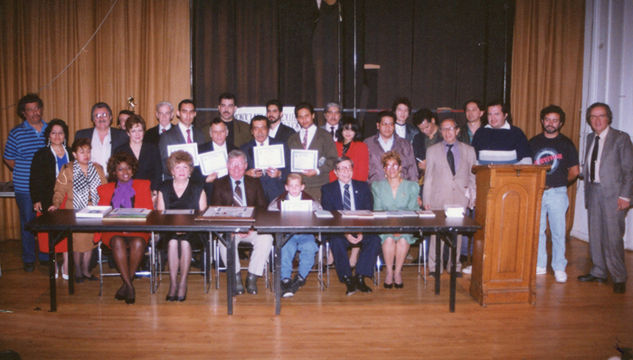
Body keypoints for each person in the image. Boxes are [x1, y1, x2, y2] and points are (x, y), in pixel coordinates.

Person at [578, 102, 633, 294]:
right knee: (595, 234)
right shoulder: (589, 138)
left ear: (609, 118)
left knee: (612, 237)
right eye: (593, 117)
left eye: (601, 116)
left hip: (614, 194)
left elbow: (629, 170)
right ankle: (599, 270)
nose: (597, 120)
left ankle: (619, 276)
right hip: (593, 191)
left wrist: (625, 196)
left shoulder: (621, 138)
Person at [210, 150, 273, 295]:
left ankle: (252, 276)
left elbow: (262, 208)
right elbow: (216, 211)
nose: (236, 168)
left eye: (240, 164)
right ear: (227, 165)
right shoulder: (219, 183)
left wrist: (251, 228)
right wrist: (233, 229)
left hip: (251, 228)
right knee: (225, 241)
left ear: (245, 165)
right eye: (233, 164)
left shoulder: (254, 183)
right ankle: (236, 276)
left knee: (266, 238)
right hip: (230, 228)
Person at [528, 105, 579, 283]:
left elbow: (574, 171)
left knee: (558, 232)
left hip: (558, 193)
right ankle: (540, 264)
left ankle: (559, 267)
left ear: (561, 123)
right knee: (538, 231)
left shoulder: (566, 143)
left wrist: (560, 184)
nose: (551, 123)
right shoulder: (533, 142)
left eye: (555, 120)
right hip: (538, 193)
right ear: (542, 121)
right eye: (547, 119)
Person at [96, 152, 153, 304]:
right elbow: (101, 214)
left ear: (133, 170)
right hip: (113, 231)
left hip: (137, 228)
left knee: (138, 243)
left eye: (128, 168)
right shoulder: (105, 189)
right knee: (117, 241)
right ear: (114, 172)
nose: (125, 172)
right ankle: (129, 285)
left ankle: (126, 285)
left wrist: (132, 224)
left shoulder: (143, 185)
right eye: (120, 169)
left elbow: (148, 210)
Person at [423, 118, 477, 276]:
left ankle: (454, 266)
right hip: (438, 198)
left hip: (460, 199)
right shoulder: (432, 150)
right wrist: (426, 201)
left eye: (451, 128)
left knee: (457, 235)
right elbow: (428, 177)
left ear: (458, 130)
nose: (448, 132)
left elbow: (473, 177)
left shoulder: (469, 150)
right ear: (440, 132)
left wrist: (471, 198)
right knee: (436, 235)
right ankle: (434, 267)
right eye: (444, 129)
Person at [49, 138, 107, 282]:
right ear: (74, 154)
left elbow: (105, 190)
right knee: (77, 244)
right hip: (74, 212)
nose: (86, 155)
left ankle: (87, 271)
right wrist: (55, 204)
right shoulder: (67, 170)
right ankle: (78, 272)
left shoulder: (97, 169)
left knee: (89, 245)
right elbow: (59, 191)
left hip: (94, 211)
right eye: (82, 152)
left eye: (88, 151)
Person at [321, 156, 381, 295]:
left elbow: (368, 211)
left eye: (348, 167)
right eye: (341, 168)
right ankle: (347, 278)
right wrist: (346, 233)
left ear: (352, 170)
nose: (345, 171)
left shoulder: (363, 187)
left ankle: (360, 276)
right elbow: (331, 216)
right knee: (336, 240)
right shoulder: (327, 189)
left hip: (360, 227)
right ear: (335, 172)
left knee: (374, 239)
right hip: (339, 229)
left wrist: (361, 232)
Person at [3, 93, 48, 271]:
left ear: (41, 109)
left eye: (37, 108)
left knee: (46, 221)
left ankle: (45, 255)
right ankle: (29, 258)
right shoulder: (16, 133)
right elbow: (9, 159)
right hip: (24, 187)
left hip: (46, 187)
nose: (34, 112)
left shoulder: (50, 130)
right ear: (23, 113)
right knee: (27, 223)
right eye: (30, 110)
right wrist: (26, 171)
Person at [156, 151, 207, 301]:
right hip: (169, 229)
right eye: (178, 167)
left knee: (184, 243)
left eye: (185, 167)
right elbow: (160, 215)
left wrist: (185, 228)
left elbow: (202, 216)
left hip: (193, 230)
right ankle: (173, 283)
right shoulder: (164, 188)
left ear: (190, 170)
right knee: (172, 243)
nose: (182, 171)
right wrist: (174, 228)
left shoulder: (198, 188)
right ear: (172, 171)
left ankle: (183, 282)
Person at [30, 119, 73, 278]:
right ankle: (54, 266)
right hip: (48, 199)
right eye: (53, 132)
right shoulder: (41, 154)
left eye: (60, 132)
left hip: (69, 199)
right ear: (48, 135)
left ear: (65, 135)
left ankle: (67, 265)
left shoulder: (71, 151)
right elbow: (35, 179)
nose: (57, 136)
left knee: (69, 232)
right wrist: (36, 199)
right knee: (51, 235)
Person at [268, 173, 322, 297]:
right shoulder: (278, 202)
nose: (294, 189)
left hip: (305, 233)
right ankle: (285, 279)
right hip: (287, 234)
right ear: (286, 187)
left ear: (302, 187)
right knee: (286, 248)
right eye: (291, 186)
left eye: (297, 186)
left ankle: (301, 277)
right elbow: (269, 215)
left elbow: (320, 214)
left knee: (310, 246)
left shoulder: (311, 201)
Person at [371, 151, 420, 288]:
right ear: (384, 169)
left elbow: (412, 211)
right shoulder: (377, 186)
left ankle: (397, 272)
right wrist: (392, 229)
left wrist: (400, 228)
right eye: (388, 166)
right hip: (385, 225)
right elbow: (379, 211)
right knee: (388, 239)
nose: (391, 169)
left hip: (406, 225)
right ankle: (388, 272)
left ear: (400, 168)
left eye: (394, 165)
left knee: (403, 239)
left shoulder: (412, 186)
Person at [287, 102, 338, 201]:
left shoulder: (325, 135)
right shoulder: (292, 138)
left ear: (313, 115)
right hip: (297, 188)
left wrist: (317, 170)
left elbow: (333, 158)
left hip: (318, 185)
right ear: (297, 119)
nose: (304, 120)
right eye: (300, 117)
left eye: (307, 116)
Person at [241, 115, 289, 202]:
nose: (260, 132)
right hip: (254, 195)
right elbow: (237, 173)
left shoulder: (281, 146)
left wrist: (280, 174)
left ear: (268, 129)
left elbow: (290, 170)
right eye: (256, 128)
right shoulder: (244, 149)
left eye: (263, 128)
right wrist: (246, 173)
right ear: (252, 131)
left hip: (277, 192)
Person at [114, 114, 162, 195]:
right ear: (128, 133)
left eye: (140, 130)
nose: (137, 134)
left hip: (148, 192)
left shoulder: (153, 149)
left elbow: (158, 173)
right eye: (133, 131)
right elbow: (116, 174)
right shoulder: (120, 151)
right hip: (126, 192)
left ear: (144, 132)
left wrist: (155, 192)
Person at [74, 102, 129, 174]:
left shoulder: (122, 136)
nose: (101, 118)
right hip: (89, 181)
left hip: (114, 181)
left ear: (110, 117)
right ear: (93, 119)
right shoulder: (81, 135)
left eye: (104, 115)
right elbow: (76, 161)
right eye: (97, 115)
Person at [364, 111, 418, 183]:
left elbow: (412, 171)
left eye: (391, 124)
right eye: (384, 124)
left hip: (401, 190)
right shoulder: (368, 144)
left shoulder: (405, 144)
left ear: (394, 126)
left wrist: (414, 190)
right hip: (376, 190)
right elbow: (363, 170)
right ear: (378, 125)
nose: (387, 127)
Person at [158, 99, 206, 179]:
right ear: (178, 113)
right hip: (174, 182)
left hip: (196, 182)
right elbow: (163, 164)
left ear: (195, 114)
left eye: (191, 112)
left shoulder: (200, 134)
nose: (188, 115)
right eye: (184, 111)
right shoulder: (166, 136)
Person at [195, 118, 237, 204]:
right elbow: (194, 174)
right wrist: (205, 180)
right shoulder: (200, 151)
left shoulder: (235, 150)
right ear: (210, 134)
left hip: (232, 194)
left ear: (227, 132)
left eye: (222, 131)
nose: (219, 135)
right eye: (215, 132)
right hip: (209, 194)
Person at [328, 117, 369, 182]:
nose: (348, 132)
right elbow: (331, 168)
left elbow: (363, 171)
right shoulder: (334, 145)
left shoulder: (361, 146)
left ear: (356, 131)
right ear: (341, 130)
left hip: (355, 184)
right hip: (335, 184)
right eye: (345, 129)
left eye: (351, 130)